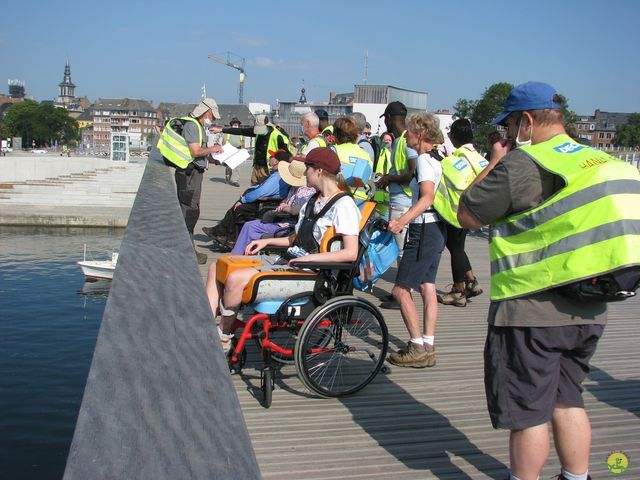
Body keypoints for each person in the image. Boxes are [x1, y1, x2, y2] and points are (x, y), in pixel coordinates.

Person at [458, 82, 640, 480]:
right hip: (590, 306)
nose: (506, 134)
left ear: (526, 121)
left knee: (527, 412)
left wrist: (495, 160)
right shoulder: (596, 161)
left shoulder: (523, 163)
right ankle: (576, 477)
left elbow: (467, 214)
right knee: (568, 400)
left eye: (508, 125)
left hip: (530, 309)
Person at [204, 147, 361, 351]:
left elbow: (351, 253)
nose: (305, 173)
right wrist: (266, 242)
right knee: (218, 267)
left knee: (234, 279)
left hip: (311, 274)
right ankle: (207, 328)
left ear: (319, 171)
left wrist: (307, 260)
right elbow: (295, 239)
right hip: (292, 262)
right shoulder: (314, 200)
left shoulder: (344, 205)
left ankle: (222, 340)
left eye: (308, 168)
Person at [385, 112, 446, 368]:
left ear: (420, 134)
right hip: (438, 230)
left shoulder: (422, 160)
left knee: (400, 290)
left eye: (409, 131)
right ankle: (428, 343)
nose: (406, 135)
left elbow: (427, 197)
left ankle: (416, 347)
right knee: (427, 286)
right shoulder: (437, 157)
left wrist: (401, 221)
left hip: (423, 230)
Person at [158, 98, 224, 264]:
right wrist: (213, 149)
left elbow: (198, 152)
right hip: (189, 174)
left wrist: (213, 158)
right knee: (189, 211)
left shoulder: (198, 126)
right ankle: (185, 252)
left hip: (192, 173)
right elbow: (195, 151)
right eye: (212, 115)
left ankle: (185, 250)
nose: (213, 119)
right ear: (205, 111)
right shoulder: (192, 126)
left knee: (190, 210)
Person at [376, 101, 419, 309]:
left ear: (389, 118)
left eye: (385, 118)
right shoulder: (400, 140)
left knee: (402, 250)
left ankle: (404, 294)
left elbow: (413, 172)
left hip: (404, 201)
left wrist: (389, 179)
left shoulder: (406, 140)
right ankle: (399, 292)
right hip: (399, 200)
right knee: (398, 248)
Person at [437, 118, 484, 307]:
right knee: (458, 246)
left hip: (458, 210)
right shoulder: (479, 157)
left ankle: (459, 291)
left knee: (455, 248)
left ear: (454, 137)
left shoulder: (460, 159)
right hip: (476, 210)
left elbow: (458, 184)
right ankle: (471, 281)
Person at [202, 149, 291, 248]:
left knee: (240, 208)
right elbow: (260, 188)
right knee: (238, 205)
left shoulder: (277, 177)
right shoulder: (277, 174)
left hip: (269, 203)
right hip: (268, 200)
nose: (270, 158)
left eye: (272, 157)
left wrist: (243, 199)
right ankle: (222, 233)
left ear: (277, 161)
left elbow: (260, 192)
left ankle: (230, 237)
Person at [230, 160, 316, 254]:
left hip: (289, 225)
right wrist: (283, 204)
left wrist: (285, 208)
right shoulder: (295, 188)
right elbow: (286, 201)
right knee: (251, 227)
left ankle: (237, 255)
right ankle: (242, 254)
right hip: (283, 220)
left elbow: (296, 210)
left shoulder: (305, 192)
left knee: (250, 226)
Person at [211, 114, 290, 185]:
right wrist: (221, 130)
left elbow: (288, 155)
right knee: (254, 191)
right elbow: (241, 131)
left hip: (269, 170)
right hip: (257, 168)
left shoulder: (278, 136)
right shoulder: (257, 132)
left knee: (265, 196)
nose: (259, 132)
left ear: (267, 125)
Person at [333, 117, 374, 204]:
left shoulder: (333, 151)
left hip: (338, 198)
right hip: (361, 201)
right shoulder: (365, 154)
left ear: (336, 134)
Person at [222, 117, 243, 187]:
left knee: (237, 166)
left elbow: (242, 142)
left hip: (238, 150)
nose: (235, 124)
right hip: (229, 150)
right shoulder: (228, 131)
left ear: (239, 124)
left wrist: (243, 150)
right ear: (231, 124)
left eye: (237, 123)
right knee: (229, 166)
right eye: (234, 123)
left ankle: (235, 180)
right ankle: (228, 177)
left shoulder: (241, 132)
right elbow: (224, 141)